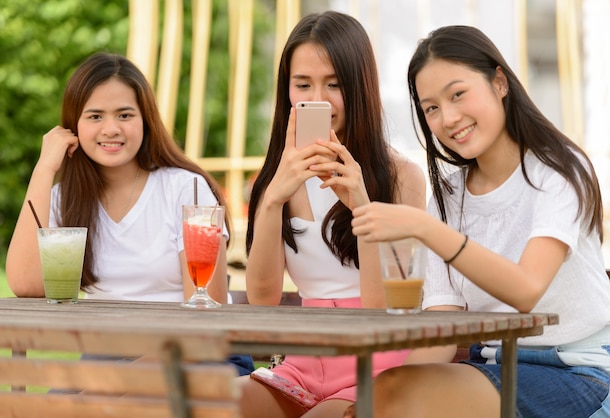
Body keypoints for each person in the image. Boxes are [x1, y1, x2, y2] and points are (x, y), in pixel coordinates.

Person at [347, 25, 610, 417]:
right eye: (431, 108)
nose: (449, 118)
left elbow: (526, 290)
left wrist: (424, 228)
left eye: (458, 94)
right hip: (492, 366)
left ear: (499, 82)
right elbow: (442, 327)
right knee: (384, 395)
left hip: (577, 368)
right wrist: (374, 402)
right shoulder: (449, 197)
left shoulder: (559, 171)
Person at [5, 52, 254, 376]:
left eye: (124, 115)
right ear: (73, 126)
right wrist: (45, 168)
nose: (111, 129)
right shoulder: (66, 199)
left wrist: (118, 382)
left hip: (198, 356)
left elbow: (209, 310)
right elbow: (26, 283)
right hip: (107, 360)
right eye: (95, 116)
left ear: (145, 120)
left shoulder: (185, 189)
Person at [241, 11, 426, 418]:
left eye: (335, 85)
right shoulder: (276, 183)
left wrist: (361, 204)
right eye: (302, 85)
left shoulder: (402, 178)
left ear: (360, 88)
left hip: (378, 363)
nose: (318, 99)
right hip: (303, 364)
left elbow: (382, 310)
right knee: (210, 405)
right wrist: (272, 200)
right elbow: (263, 299)